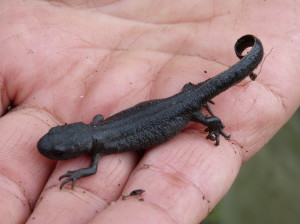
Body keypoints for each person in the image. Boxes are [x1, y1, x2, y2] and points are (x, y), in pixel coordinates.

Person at [0, 1, 299, 223]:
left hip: (185, 106)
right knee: (191, 99)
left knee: (202, 114)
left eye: (59, 148)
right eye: (59, 148)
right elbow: (98, 136)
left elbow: (91, 168)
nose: (56, 151)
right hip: (184, 99)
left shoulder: (95, 148)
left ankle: (214, 124)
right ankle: (206, 105)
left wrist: (77, 173)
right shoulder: (96, 133)